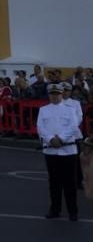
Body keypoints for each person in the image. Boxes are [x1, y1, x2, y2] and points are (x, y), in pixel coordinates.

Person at [37, 83, 81, 221]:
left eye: (57, 94)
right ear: (49, 95)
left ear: (62, 94)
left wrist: (61, 139)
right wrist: (50, 139)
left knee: (70, 183)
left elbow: (73, 126)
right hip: (51, 151)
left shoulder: (70, 109)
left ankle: (72, 211)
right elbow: (40, 127)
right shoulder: (43, 110)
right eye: (52, 94)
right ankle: (55, 209)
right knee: (54, 182)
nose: (54, 96)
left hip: (68, 150)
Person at [62, 81, 84, 190]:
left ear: (70, 92)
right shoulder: (56, 103)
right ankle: (65, 181)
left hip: (74, 135)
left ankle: (78, 181)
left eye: (67, 90)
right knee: (63, 160)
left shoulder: (75, 103)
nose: (65, 93)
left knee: (77, 160)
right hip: (61, 135)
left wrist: (68, 128)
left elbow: (79, 117)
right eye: (63, 90)